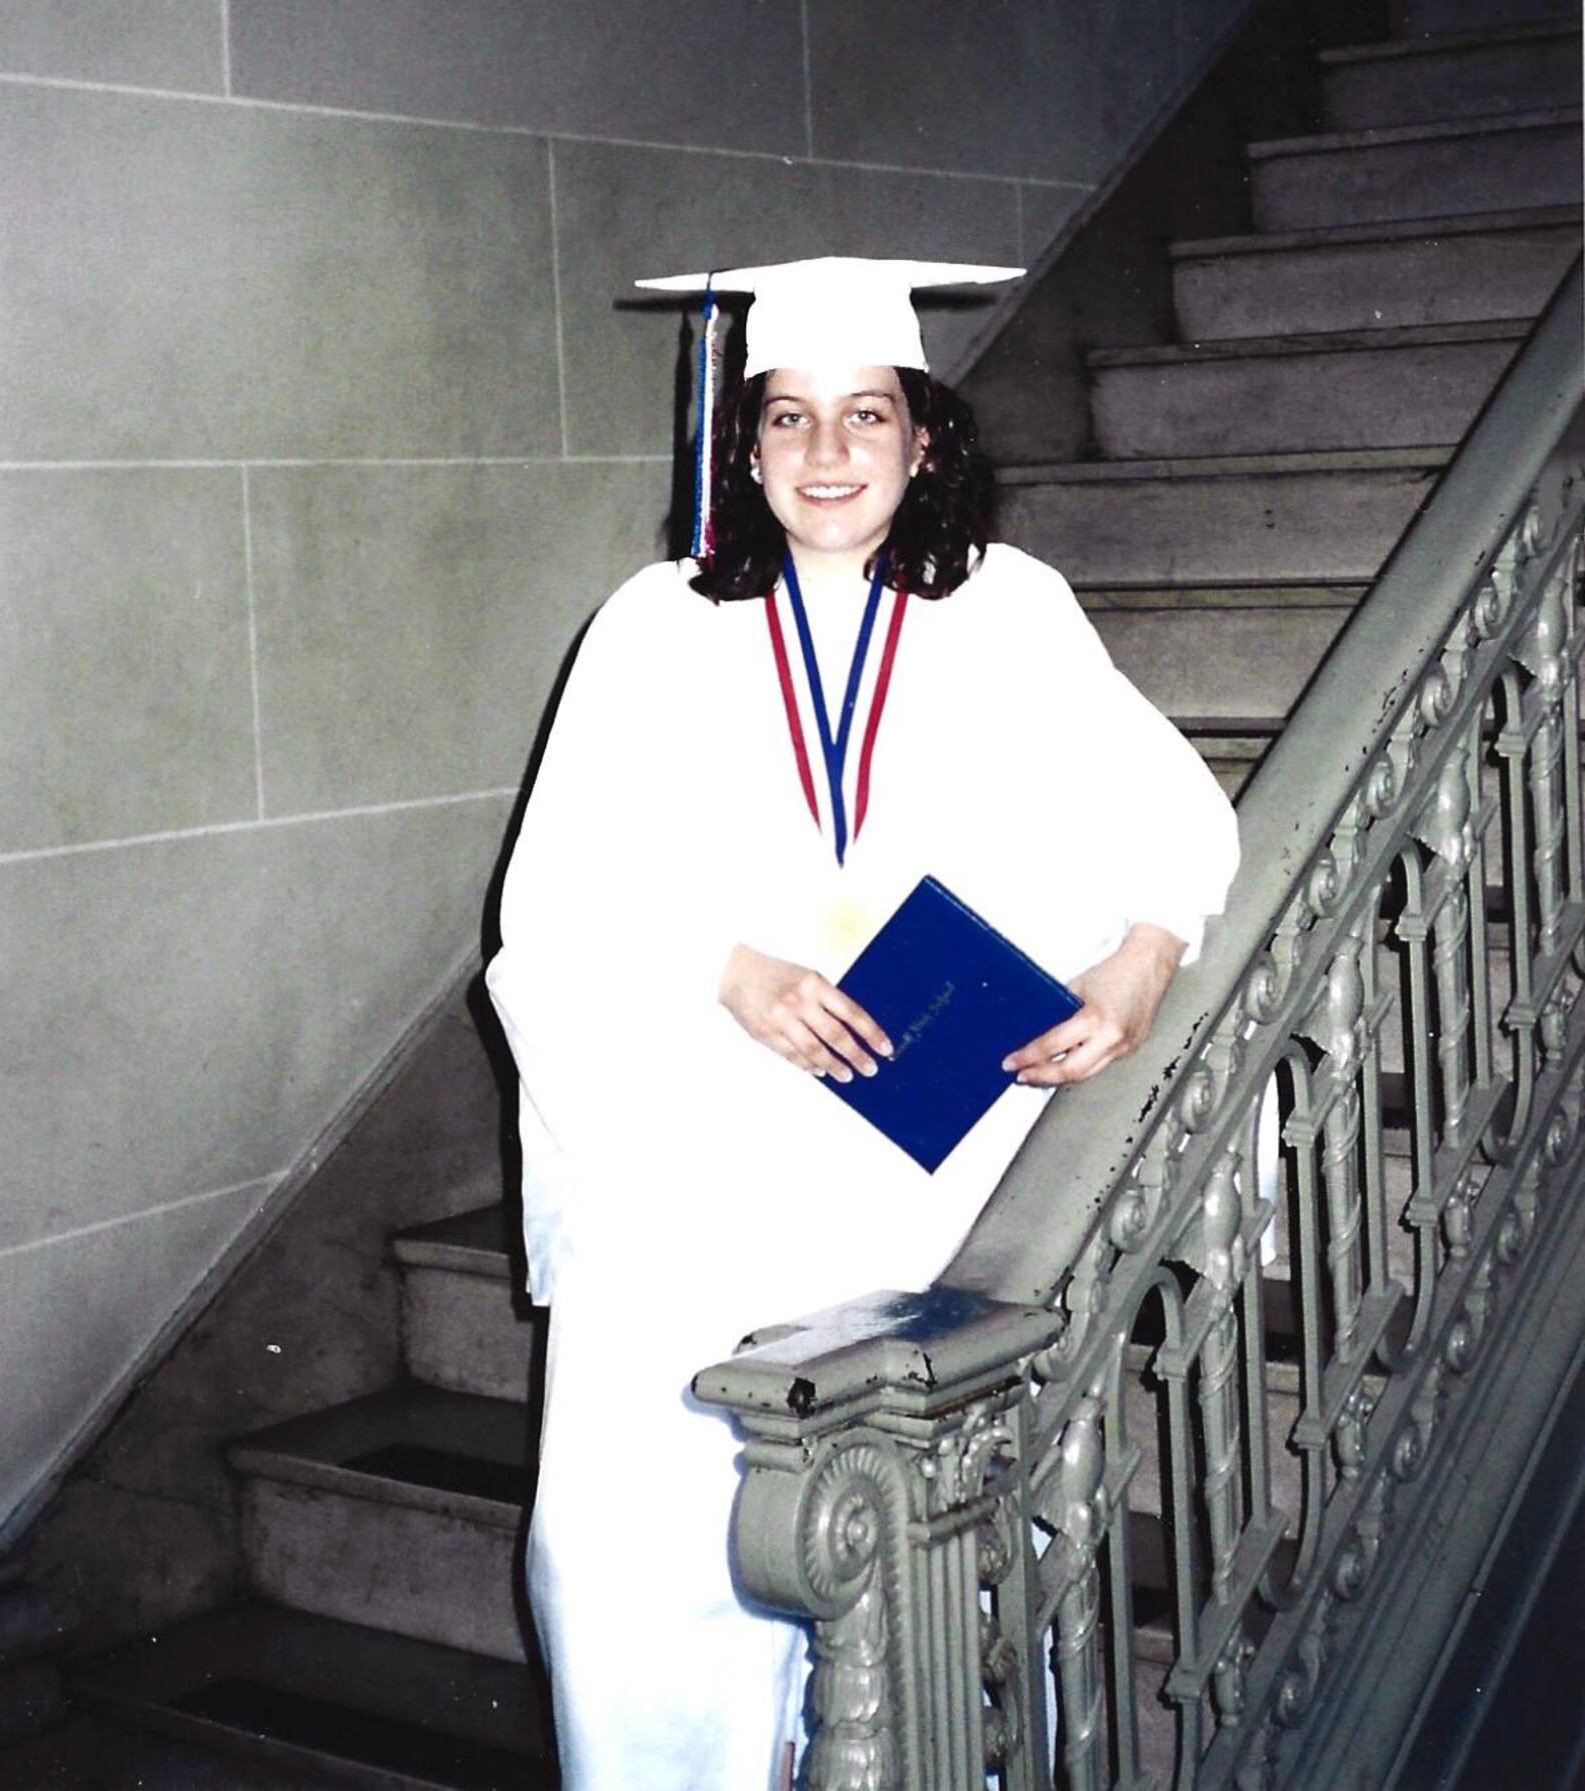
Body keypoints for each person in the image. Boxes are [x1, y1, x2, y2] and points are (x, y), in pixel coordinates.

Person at [485, 256, 1239, 1790]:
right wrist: (728, 969)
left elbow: (1165, 817)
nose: (830, 454)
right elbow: (553, 898)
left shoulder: (1012, 611)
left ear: (923, 440)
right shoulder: (655, 626)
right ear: (745, 450)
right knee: (629, 1550)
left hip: (925, 1164)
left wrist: (1144, 961)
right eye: (791, 419)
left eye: (867, 416)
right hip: (695, 1154)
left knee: (928, 1546)